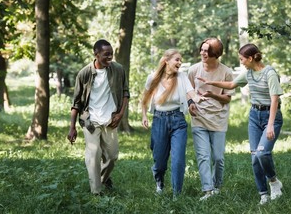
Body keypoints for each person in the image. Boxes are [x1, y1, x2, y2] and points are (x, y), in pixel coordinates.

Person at [197, 43, 283, 205]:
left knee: (262, 154)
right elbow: (231, 85)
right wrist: (210, 82)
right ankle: (263, 194)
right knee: (254, 158)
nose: (241, 62)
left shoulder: (269, 73)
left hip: (270, 116)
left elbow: (275, 100)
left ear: (251, 58)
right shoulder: (248, 73)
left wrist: (270, 124)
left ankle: (274, 182)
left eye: (242, 59)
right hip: (254, 116)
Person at [67, 39, 130, 195]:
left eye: (111, 54)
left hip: (110, 120)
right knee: (93, 154)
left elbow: (125, 93)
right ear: (96, 54)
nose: (110, 57)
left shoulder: (118, 69)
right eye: (106, 54)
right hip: (90, 121)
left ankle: (102, 179)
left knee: (112, 156)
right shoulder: (84, 74)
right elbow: (76, 103)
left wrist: (120, 114)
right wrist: (72, 127)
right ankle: (96, 192)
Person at [141, 49, 202, 198]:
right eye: (177, 59)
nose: (180, 63)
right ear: (166, 60)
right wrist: (144, 116)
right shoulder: (153, 78)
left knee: (178, 160)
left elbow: (191, 93)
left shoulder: (182, 77)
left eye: (180, 60)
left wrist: (199, 99)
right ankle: (159, 182)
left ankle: (177, 194)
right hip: (159, 120)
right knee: (160, 161)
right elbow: (144, 98)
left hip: (178, 120)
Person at [187, 37, 235, 201]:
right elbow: (189, 92)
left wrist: (212, 95)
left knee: (218, 158)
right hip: (199, 118)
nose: (202, 53)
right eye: (202, 49)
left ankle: (217, 187)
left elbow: (227, 99)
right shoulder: (193, 70)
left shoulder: (226, 72)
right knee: (203, 156)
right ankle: (207, 190)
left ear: (216, 54)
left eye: (206, 51)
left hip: (218, 119)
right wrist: (190, 103)